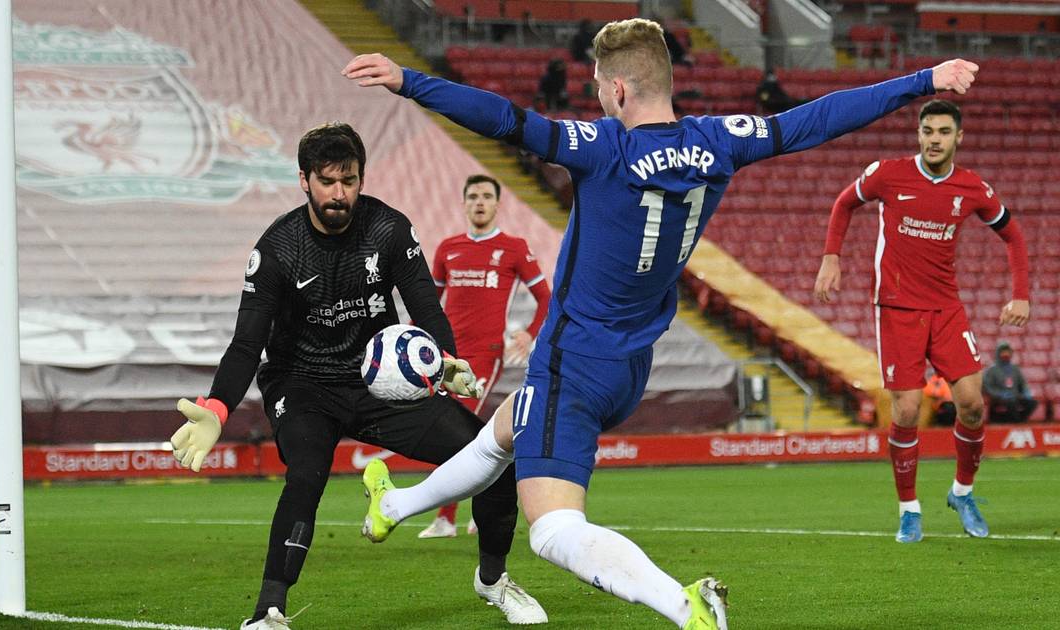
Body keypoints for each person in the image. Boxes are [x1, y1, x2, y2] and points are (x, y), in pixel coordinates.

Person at [344, 17, 978, 629]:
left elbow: (506, 120)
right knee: (507, 429)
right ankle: (393, 504)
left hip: (574, 359)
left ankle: (685, 606)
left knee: (553, 530)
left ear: (619, 88)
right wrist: (922, 80)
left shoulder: (605, 147)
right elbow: (819, 118)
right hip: (632, 364)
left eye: (599, 85)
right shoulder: (720, 141)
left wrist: (410, 81)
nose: (598, 96)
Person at [167, 122, 547, 629]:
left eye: (348, 181)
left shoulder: (388, 229)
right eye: (326, 181)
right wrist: (217, 407)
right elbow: (246, 342)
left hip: (378, 380)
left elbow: (426, 307)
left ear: (361, 179)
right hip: (302, 383)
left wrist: (447, 361)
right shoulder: (278, 247)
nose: (338, 193)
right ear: (304, 181)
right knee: (306, 474)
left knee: (490, 455)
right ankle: (269, 612)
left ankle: (493, 580)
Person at [813, 99, 1030, 544]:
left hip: (946, 308)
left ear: (958, 137)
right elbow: (843, 204)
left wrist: (1021, 295)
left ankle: (962, 493)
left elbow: (1013, 236)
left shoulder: (972, 188)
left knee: (972, 404)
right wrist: (831, 257)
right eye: (928, 131)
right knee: (908, 409)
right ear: (918, 134)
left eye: (944, 132)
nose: (934, 139)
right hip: (897, 308)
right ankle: (909, 510)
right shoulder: (887, 174)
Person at [418, 174, 552, 539]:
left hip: (485, 354)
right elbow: (429, 302)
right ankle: (487, 501)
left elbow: (546, 297)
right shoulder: (448, 248)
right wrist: (411, 336)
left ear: (497, 204)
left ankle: (447, 519)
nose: (479, 202)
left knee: (455, 431)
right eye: (473, 196)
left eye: (486, 196)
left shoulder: (513, 248)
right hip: (446, 354)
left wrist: (529, 332)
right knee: (465, 433)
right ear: (464, 203)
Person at [982, 341, 1038, 423]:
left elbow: (1022, 384)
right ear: (998, 353)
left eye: (1007, 352)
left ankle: (1020, 421)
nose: (1006, 354)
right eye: (1003, 352)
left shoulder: (1015, 369)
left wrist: (1026, 392)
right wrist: (1000, 394)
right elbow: (988, 387)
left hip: (1014, 396)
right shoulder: (991, 370)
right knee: (1011, 403)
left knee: (1032, 403)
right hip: (998, 398)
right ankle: (1015, 422)